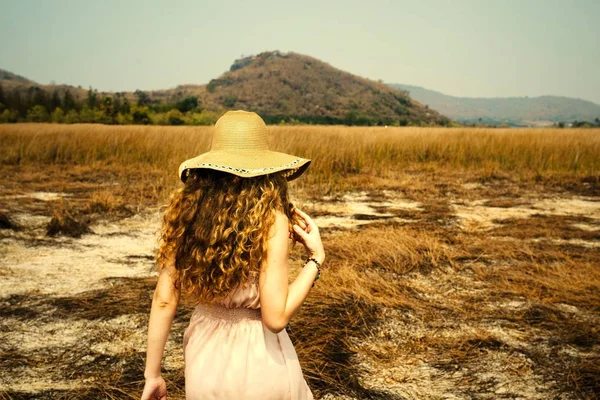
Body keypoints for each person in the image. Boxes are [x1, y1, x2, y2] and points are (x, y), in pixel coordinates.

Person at [141, 110, 325, 400]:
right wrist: (315, 260)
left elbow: (164, 299)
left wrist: (152, 374)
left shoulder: (188, 215)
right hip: (260, 357)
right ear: (267, 169)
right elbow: (275, 318)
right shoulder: (271, 220)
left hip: (204, 352)